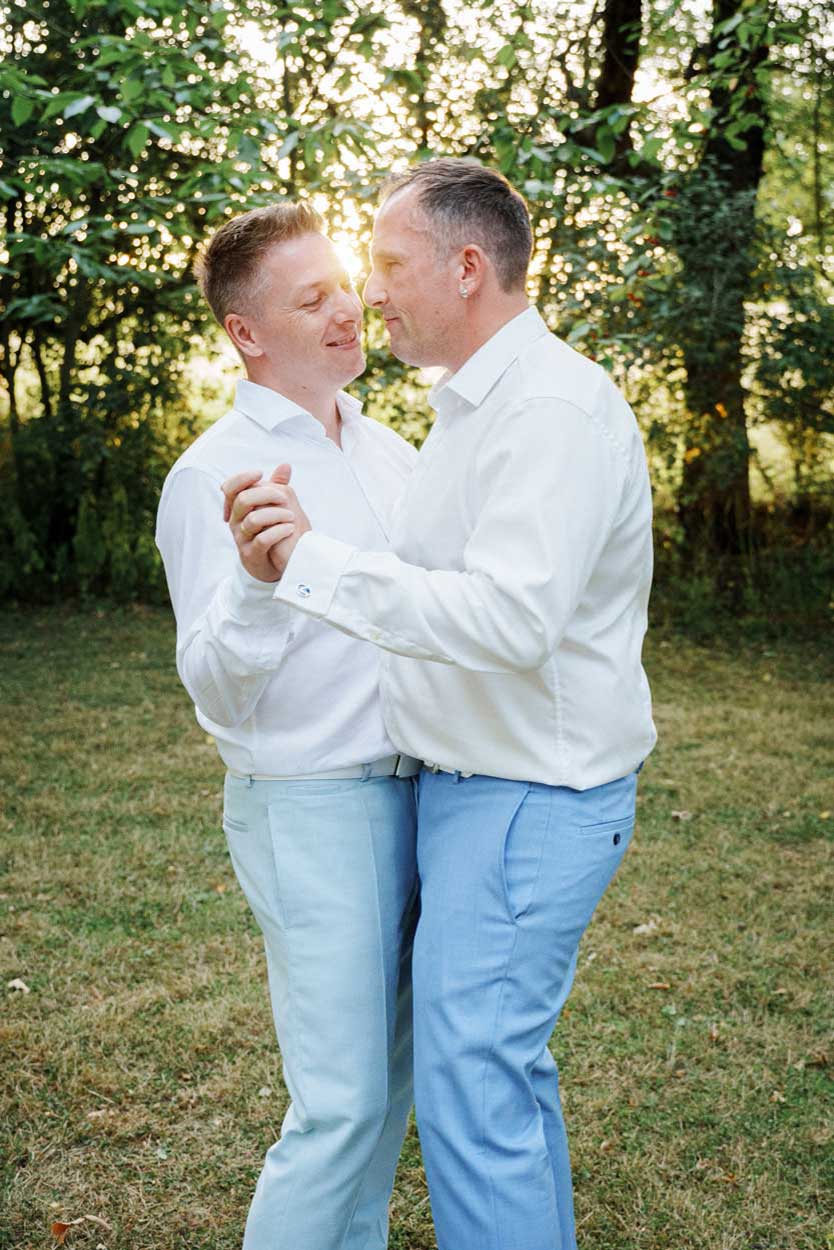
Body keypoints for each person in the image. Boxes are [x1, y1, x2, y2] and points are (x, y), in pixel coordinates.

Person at [225, 159, 657, 1250]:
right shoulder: (472, 407)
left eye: (386, 265)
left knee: (473, 1087)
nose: (370, 293)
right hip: (479, 790)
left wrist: (313, 567)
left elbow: (513, 619)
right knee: (489, 1074)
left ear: (468, 268)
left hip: (527, 795)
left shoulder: (548, 410)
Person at [155, 201, 420, 1250]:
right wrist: (264, 587)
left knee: (390, 1087)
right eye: (312, 299)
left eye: (344, 284)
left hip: (426, 789)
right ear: (247, 333)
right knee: (340, 1102)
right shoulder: (212, 474)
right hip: (316, 805)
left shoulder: (393, 450)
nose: (348, 309)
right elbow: (214, 690)